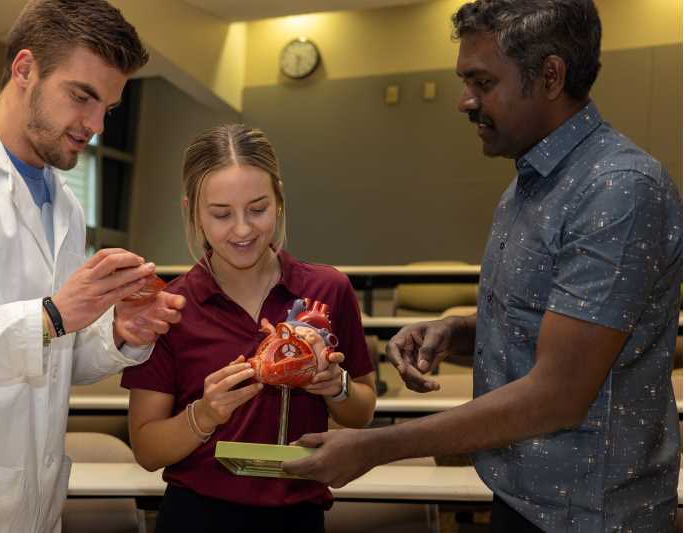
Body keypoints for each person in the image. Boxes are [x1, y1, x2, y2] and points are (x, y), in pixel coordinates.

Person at [283, 1, 683, 531]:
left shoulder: (618, 190)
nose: (464, 101)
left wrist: (375, 446)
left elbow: (558, 396)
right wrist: (458, 331)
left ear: (550, 75)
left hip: (590, 515)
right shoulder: (529, 185)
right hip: (522, 498)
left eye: (482, 81)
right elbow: (551, 325)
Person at [0, 1, 185, 531]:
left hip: (36, 505)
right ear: (25, 69)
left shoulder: (64, 204)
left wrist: (117, 332)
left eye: (108, 109)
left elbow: (54, 356)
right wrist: (50, 316)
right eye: (82, 96)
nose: (94, 125)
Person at [121, 124, 377, 533]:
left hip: (300, 516)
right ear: (192, 212)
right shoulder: (168, 308)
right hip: (196, 516)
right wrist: (205, 415)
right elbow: (148, 450)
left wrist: (336, 386)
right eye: (221, 214)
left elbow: (362, 411)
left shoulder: (328, 290)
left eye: (257, 209)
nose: (242, 230)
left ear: (279, 201)